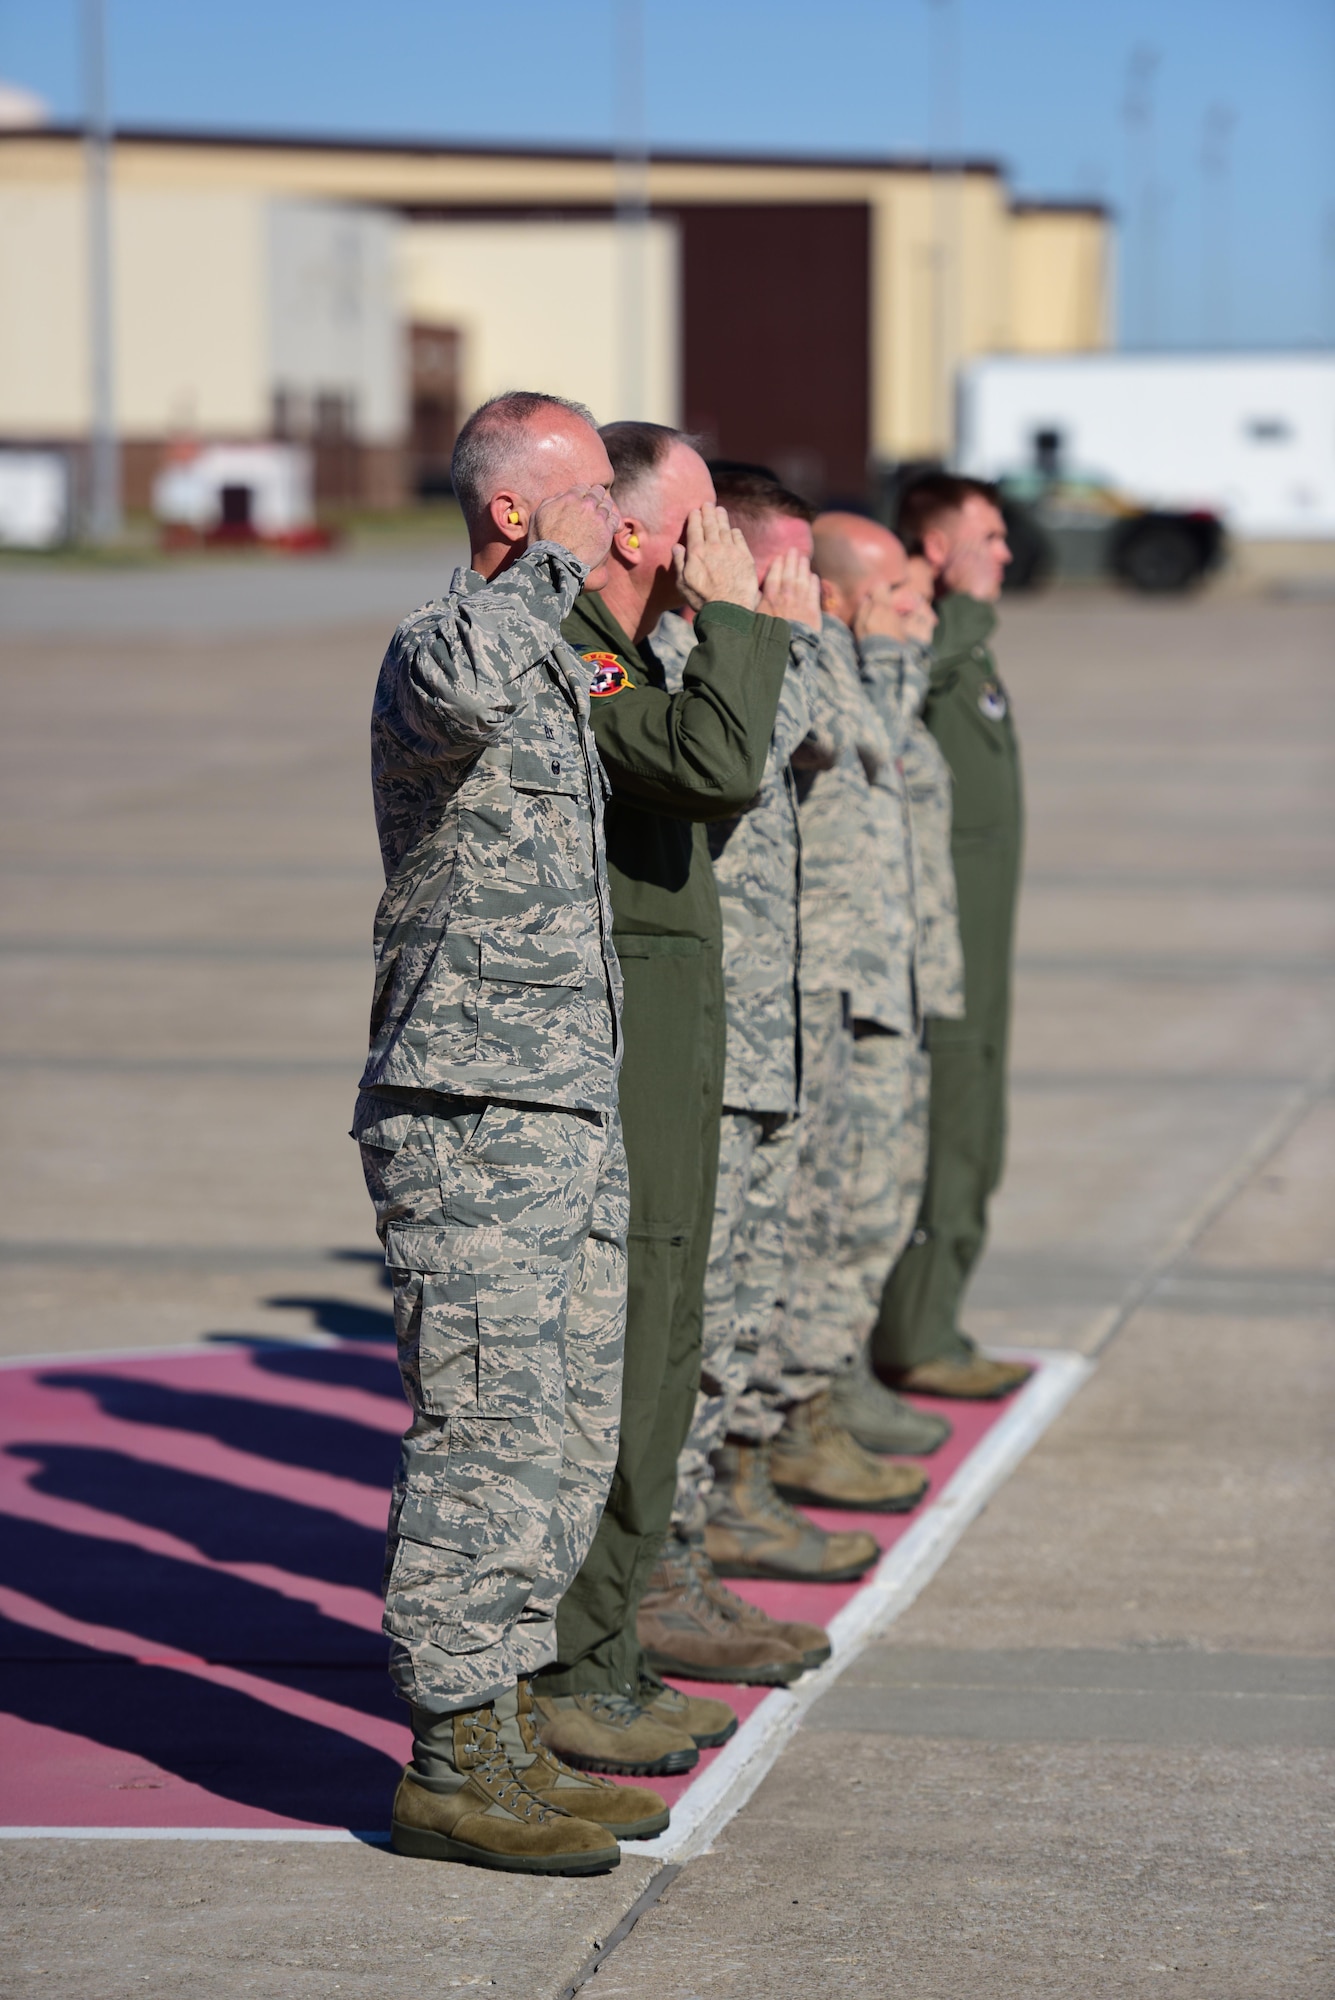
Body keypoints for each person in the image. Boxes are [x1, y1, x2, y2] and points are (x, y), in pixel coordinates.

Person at [354, 390, 653, 1876]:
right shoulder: (443, 643)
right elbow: (463, 691)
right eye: (591, 491)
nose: (618, 512)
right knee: (484, 1429)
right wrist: (554, 569)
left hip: (563, 1108)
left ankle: (513, 1723)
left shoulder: (561, 652)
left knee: (560, 1434)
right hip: (468, 1111)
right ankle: (451, 1757)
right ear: (515, 511)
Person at [528, 424, 793, 1772]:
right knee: (622, 1352)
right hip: (623, 1048)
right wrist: (744, 628)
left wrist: (728, 633)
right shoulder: (572, 644)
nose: (724, 550)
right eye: (702, 523)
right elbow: (710, 767)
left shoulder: (637, 650)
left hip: (675, 1039)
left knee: (666, 1337)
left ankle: (614, 1645)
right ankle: (576, 1660)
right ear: (639, 536)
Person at [636, 469, 856, 1683]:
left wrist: (774, 637)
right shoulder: (669, 666)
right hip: (704, 1049)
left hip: (762, 1036)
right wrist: (761, 634)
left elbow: (811, 739)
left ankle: (698, 1541)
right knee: (693, 1326)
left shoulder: (727, 652)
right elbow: (742, 762)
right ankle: (660, 1571)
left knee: (738, 1316)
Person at [873, 474, 1032, 1400]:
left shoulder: (960, 641)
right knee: (949, 1135)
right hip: (945, 952)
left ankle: (935, 1318)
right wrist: (960, 611)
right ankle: (915, 1333)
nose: (1004, 554)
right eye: (989, 536)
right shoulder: (922, 632)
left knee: (980, 1135)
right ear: (938, 547)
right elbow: (895, 696)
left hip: (984, 946)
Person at [809, 514, 963, 1456]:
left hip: (895, 982)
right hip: (848, 991)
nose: (920, 614)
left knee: (879, 1205)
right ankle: (807, 1405)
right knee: (840, 1212)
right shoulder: (835, 681)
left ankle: (837, 1379)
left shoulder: (879, 680)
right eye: (896, 596)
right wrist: (886, 663)